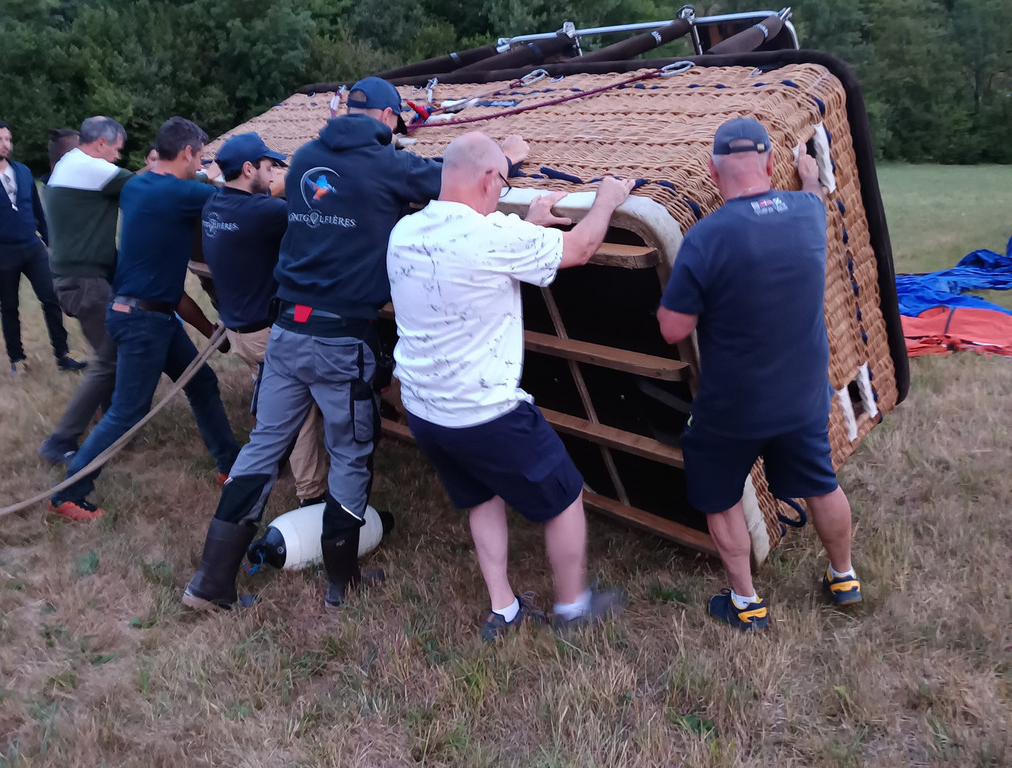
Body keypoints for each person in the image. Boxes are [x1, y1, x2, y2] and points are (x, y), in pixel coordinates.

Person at [183, 77, 527, 611]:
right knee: (349, 455)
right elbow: (458, 182)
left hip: (288, 331)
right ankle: (343, 583)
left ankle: (210, 581)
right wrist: (507, 157)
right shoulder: (387, 164)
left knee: (262, 446)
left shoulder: (303, 159)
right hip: (340, 337)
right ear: (389, 119)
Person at [387, 132, 633, 640]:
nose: (503, 190)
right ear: (486, 180)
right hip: (486, 414)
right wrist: (608, 197)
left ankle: (504, 608)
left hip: (426, 410)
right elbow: (582, 248)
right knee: (564, 497)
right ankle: (572, 608)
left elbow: (472, 261)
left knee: (482, 496)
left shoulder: (405, 232)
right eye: (502, 180)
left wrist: (527, 226)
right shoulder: (492, 238)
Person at [657, 117, 861, 631]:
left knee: (721, 493)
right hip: (802, 398)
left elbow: (670, 328)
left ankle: (747, 604)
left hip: (733, 407)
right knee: (822, 482)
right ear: (771, 164)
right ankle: (844, 577)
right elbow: (812, 193)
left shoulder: (705, 238)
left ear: (712, 170)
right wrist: (809, 174)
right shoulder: (810, 213)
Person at [46, 117, 241, 521]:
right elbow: (238, 201)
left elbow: (175, 292)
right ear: (187, 153)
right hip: (143, 320)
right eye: (199, 156)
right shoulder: (180, 193)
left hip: (146, 312)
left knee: (201, 380)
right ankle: (69, 491)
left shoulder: (138, 186)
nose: (200, 163)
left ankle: (230, 465)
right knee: (126, 411)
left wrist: (209, 330)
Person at [201, 132, 328, 506]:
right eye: (269, 167)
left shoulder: (214, 207)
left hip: (238, 331)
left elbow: (256, 203)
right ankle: (312, 495)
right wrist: (306, 178)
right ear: (248, 169)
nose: (273, 174)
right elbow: (318, 206)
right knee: (301, 409)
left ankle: (269, 464)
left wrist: (274, 185)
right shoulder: (266, 214)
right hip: (267, 333)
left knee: (272, 402)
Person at [37, 117, 133, 465]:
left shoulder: (69, 164)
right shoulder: (89, 168)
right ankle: (60, 440)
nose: (118, 158)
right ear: (101, 144)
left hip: (75, 278)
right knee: (108, 359)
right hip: (85, 282)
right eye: (117, 150)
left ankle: (113, 427)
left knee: (112, 353)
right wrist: (208, 176)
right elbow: (148, 186)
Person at [0, 119, 86, 375]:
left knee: (51, 298)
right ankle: (17, 359)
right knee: (9, 306)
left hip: (32, 247)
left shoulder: (23, 172)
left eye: (8, 139)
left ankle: (63, 354)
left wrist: (51, 244)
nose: (5, 144)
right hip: (3, 252)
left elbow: (39, 212)